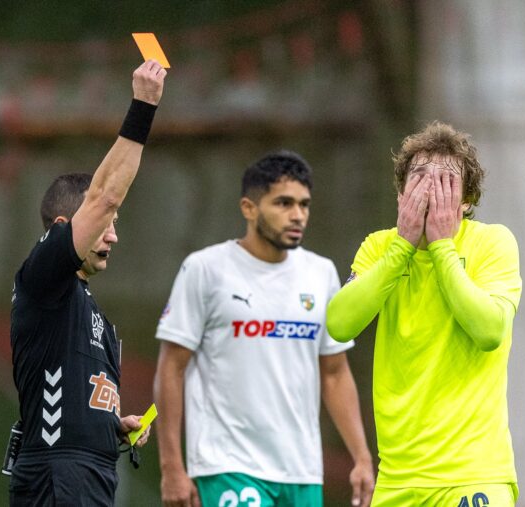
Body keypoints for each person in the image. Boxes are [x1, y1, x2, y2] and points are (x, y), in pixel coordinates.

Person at [154, 151, 375, 507]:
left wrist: (362, 457)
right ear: (249, 208)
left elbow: (335, 373)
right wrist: (171, 467)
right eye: (284, 203)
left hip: (301, 471)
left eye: (304, 204)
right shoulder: (205, 269)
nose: (298, 215)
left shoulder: (320, 273)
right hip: (227, 464)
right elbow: (171, 368)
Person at [325, 121, 523, 507]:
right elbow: (339, 323)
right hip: (397, 480)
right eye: (418, 178)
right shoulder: (380, 247)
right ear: (401, 193)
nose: (431, 188)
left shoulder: (493, 242)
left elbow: (490, 330)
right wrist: (402, 246)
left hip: (471, 475)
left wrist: (443, 247)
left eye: (446, 181)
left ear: (467, 200)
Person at [8, 60, 166, 506]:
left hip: (89, 473)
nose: (113, 235)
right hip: (59, 475)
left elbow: (68, 394)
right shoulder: (43, 277)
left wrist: (110, 425)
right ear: (64, 227)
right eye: (104, 224)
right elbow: (105, 195)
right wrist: (143, 106)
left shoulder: (90, 311)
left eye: (115, 224)